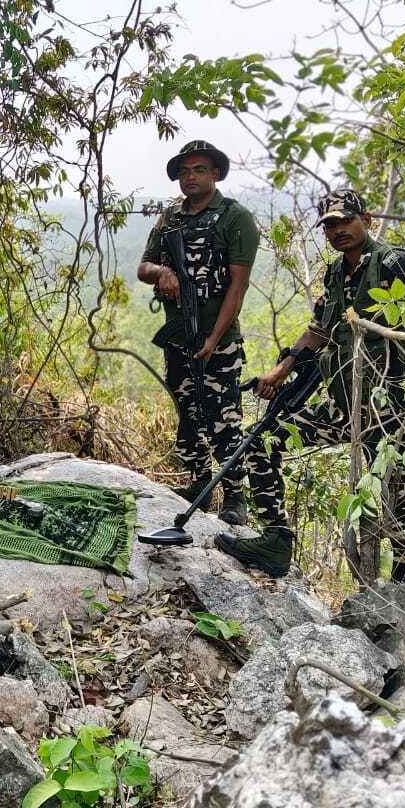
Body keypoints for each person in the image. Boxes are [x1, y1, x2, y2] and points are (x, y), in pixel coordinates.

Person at [215, 188, 405, 590]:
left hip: (393, 411)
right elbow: (318, 329)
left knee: (403, 506)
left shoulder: (394, 263)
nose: (337, 231)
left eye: (345, 221)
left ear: (365, 218)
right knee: (263, 442)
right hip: (344, 405)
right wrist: (282, 369)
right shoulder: (335, 273)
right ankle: (276, 542)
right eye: (329, 225)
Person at [137, 139, 280, 527]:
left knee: (223, 419)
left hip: (219, 340)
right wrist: (164, 272)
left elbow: (238, 286)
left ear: (216, 173)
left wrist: (214, 339)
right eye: (184, 171)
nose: (190, 177)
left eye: (199, 169)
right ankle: (199, 483)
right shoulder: (170, 218)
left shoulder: (235, 218)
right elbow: (143, 267)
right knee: (187, 413)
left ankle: (235, 495)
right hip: (179, 338)